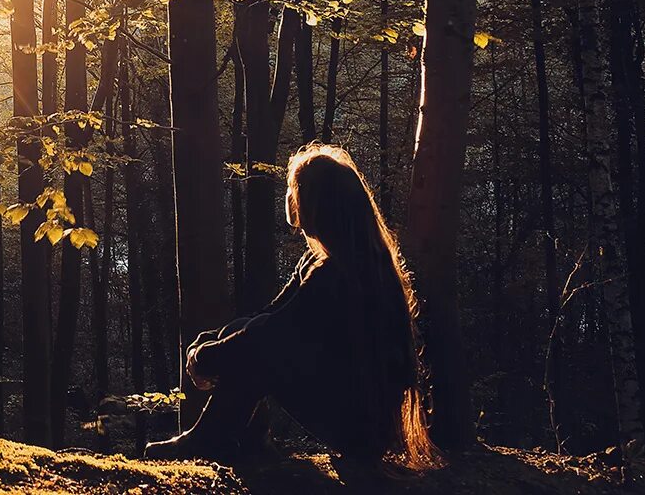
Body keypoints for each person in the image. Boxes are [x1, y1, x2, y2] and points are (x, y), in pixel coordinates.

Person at [147, 144, 440, 469]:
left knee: (260, 348)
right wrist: (213, 339)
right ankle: (236, 439)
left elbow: (274, 332)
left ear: (315, 206)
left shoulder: (337, 276)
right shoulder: (333, 263)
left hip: (359, 428)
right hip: (357, 418)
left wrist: (207, 357)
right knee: (251, 336)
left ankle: (211, 441)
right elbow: (270, 314)